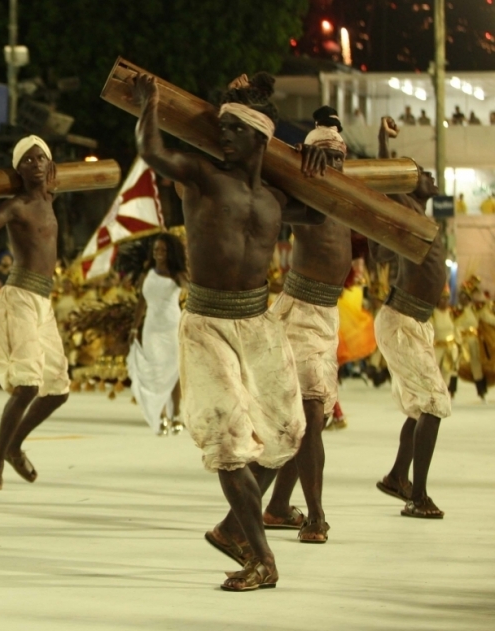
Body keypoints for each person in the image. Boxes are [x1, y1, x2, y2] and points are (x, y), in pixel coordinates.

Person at [133, 71, 311, 591]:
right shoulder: (202, 175)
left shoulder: (278, 199)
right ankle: (262, 558)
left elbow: (326, 209)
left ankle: (233, 528)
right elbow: (152, 150)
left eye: (233, 128)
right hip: (206, 322)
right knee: (229, 440)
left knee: (286, 435)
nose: (222, 134)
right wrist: (150, 103)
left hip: (259, 322)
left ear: (260, 138)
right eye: (221, 127)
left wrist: (324, 159)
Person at [261, 106, 353, 545]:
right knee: (310, 417)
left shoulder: (352, 195)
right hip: (299, 312)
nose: (331, 163)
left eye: (338, 156)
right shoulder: (301, 193)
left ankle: (278, 508)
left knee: (302, 421)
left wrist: (386, 143)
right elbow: (263, 170)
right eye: (324, 155)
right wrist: (300, 166)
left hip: (327, 316)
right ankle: (315, 515)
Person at [0, 136, 71, 491]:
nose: (36, 164)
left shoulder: (50, 198)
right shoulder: (18, 206)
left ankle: (14, 446)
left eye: (40, 158)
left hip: (43, 302)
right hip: (20, 298)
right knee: (28, 385)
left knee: (58, 391)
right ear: (18, 169)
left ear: (50, 164)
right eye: (27, 161)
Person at [372, 115, 451, 520]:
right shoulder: (404, 208)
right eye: (421, 174)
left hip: (413, 321)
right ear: (408, 185)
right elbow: (386, 183)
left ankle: (397, 477)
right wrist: (382, 142)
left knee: (421, 408)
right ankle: (417, 496)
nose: (430, 175)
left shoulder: (419, 213)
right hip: (402, 320)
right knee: (434, 405)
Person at [126, 233, 188, 436]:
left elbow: (190, 287)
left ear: (170, 252)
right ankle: (161, 414)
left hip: (171, 326)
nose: (159, 254)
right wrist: (134, 328)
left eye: (163, 250)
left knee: (173, 370)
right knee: (156, 370)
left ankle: (177, 414)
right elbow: (141, 303)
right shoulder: (147, 274)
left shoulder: (176, 274)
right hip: (152, 327)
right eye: (156, 250)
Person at [432, 290, 460, 396]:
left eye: (447, 299)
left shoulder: (451, 313)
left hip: (450, 347)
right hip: (437, 347)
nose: (445, 301)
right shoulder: (433, 314)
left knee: (448, 370)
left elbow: (455, 328)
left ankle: (446, 392)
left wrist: (459, 343)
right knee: (435, 371)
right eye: (443, 299)